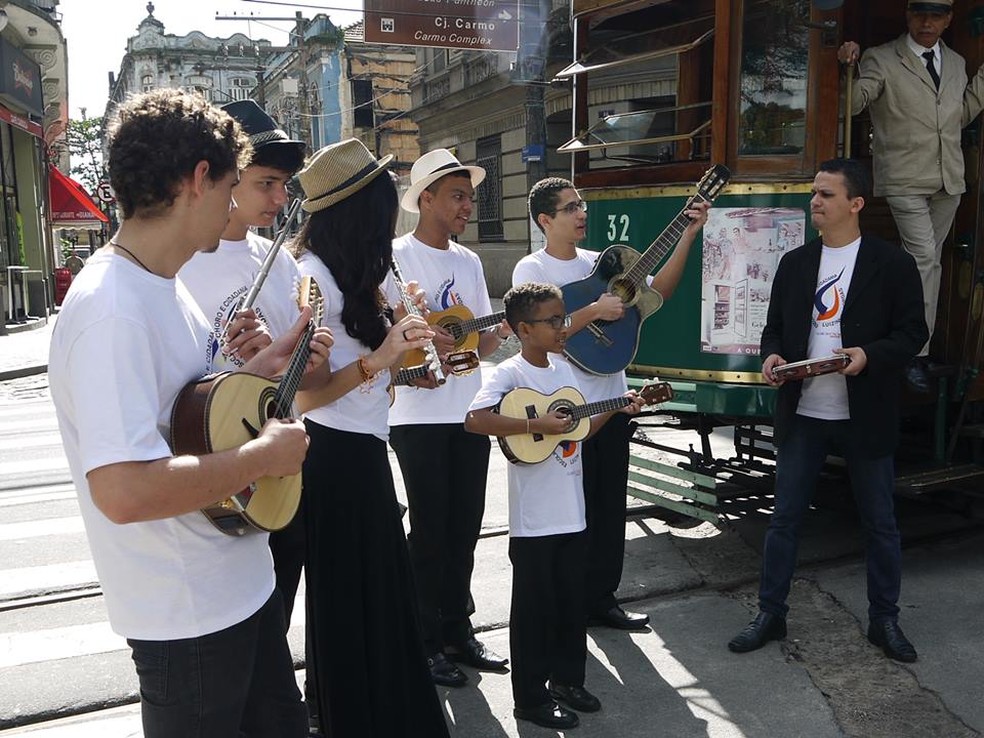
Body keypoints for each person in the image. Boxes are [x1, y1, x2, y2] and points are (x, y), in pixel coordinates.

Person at [48, 89, 331, 737]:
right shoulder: (111, 308)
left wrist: (258, 371)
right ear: (198, 180)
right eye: (233, 185)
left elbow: (188, 408)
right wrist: (264, 456)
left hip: (238, 586)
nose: (236, 206)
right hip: (189, 617)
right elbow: (123, 490)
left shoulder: (160, 284)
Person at [727, 158, 927, 663]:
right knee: (784, 521)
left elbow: (912, 334)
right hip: (804, 415)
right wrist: (772, 356)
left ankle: (885, 619)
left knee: (880, 523)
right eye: (814, 193)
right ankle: (771, 613)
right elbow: (774, 329)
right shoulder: (795, 264)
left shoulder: (892, 264)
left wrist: (867, 357)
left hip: (865, 415)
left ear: (856, 204)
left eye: (827, 195)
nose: (815, 201)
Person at [290, 139, 451, 738]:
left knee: (382, 595)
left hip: (363, 449)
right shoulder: (312, 280)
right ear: (359, 216)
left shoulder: (360, 274)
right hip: (331, 457)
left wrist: (405, 342)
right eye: (385, 214)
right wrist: (382, 356)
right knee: (350, 600)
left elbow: (377, 375)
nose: (392, 228)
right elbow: (304, 396)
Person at [513, 177, 708, 630]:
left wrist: (687, 235)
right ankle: (568, 602)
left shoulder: (603, 263)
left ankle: (602, 599)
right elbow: (544, 334)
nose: (581, 213)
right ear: (545, 220)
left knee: (607, 507)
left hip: (614, 402)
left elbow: (660, 291)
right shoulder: (531, 270)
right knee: (571, 511)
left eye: (581, 205)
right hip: (565, 412)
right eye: (569, 208)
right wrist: (592, 313)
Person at [464, 281, 644, 730]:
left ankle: (568, 681)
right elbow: (474, 419)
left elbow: (578, 431)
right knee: (534, 610)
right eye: (552, 321)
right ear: (523, 329)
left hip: (572, 512)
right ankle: (529, 697)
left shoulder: (566, 370)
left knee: (569, 603)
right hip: (534, 521)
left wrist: (617, 407)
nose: (563, 327)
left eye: (563, 318)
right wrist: (535, 422)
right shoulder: (509, 374)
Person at [178, 99, 316, 628]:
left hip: (277, 454)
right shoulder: (182, 259)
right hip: (213, 465)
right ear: (223, 178)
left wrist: (300, 352)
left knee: (278, 605)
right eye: (266, 183)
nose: (280, 199)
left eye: (286, 185)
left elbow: (296, 379)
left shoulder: (278, 258)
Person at [388, 148, 509, 688]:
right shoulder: (395, 258)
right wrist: (420, 340)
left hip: (467, 410)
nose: (467, 206)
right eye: (458, 196)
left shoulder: (470, 262)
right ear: (426, 199)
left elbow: (479, 341)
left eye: (470, 196)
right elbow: (385, 336)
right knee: (431, 529)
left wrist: (500, 331)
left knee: (465, 525)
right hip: (415, 415)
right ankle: (423, 638)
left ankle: (459, 629)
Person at [838, 0, 984, 390]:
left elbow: (960, 114)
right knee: (923, 260)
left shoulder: (954, 62)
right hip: (903, 178)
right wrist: (846, 67)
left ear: (948, 20)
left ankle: (895, 335)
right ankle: (914, 353)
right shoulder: (882, 57)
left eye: (936, 16)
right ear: (907, 17)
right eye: (920, 14)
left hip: (949, 179)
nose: (927, 22)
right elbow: (852, 105)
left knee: (922, 262)